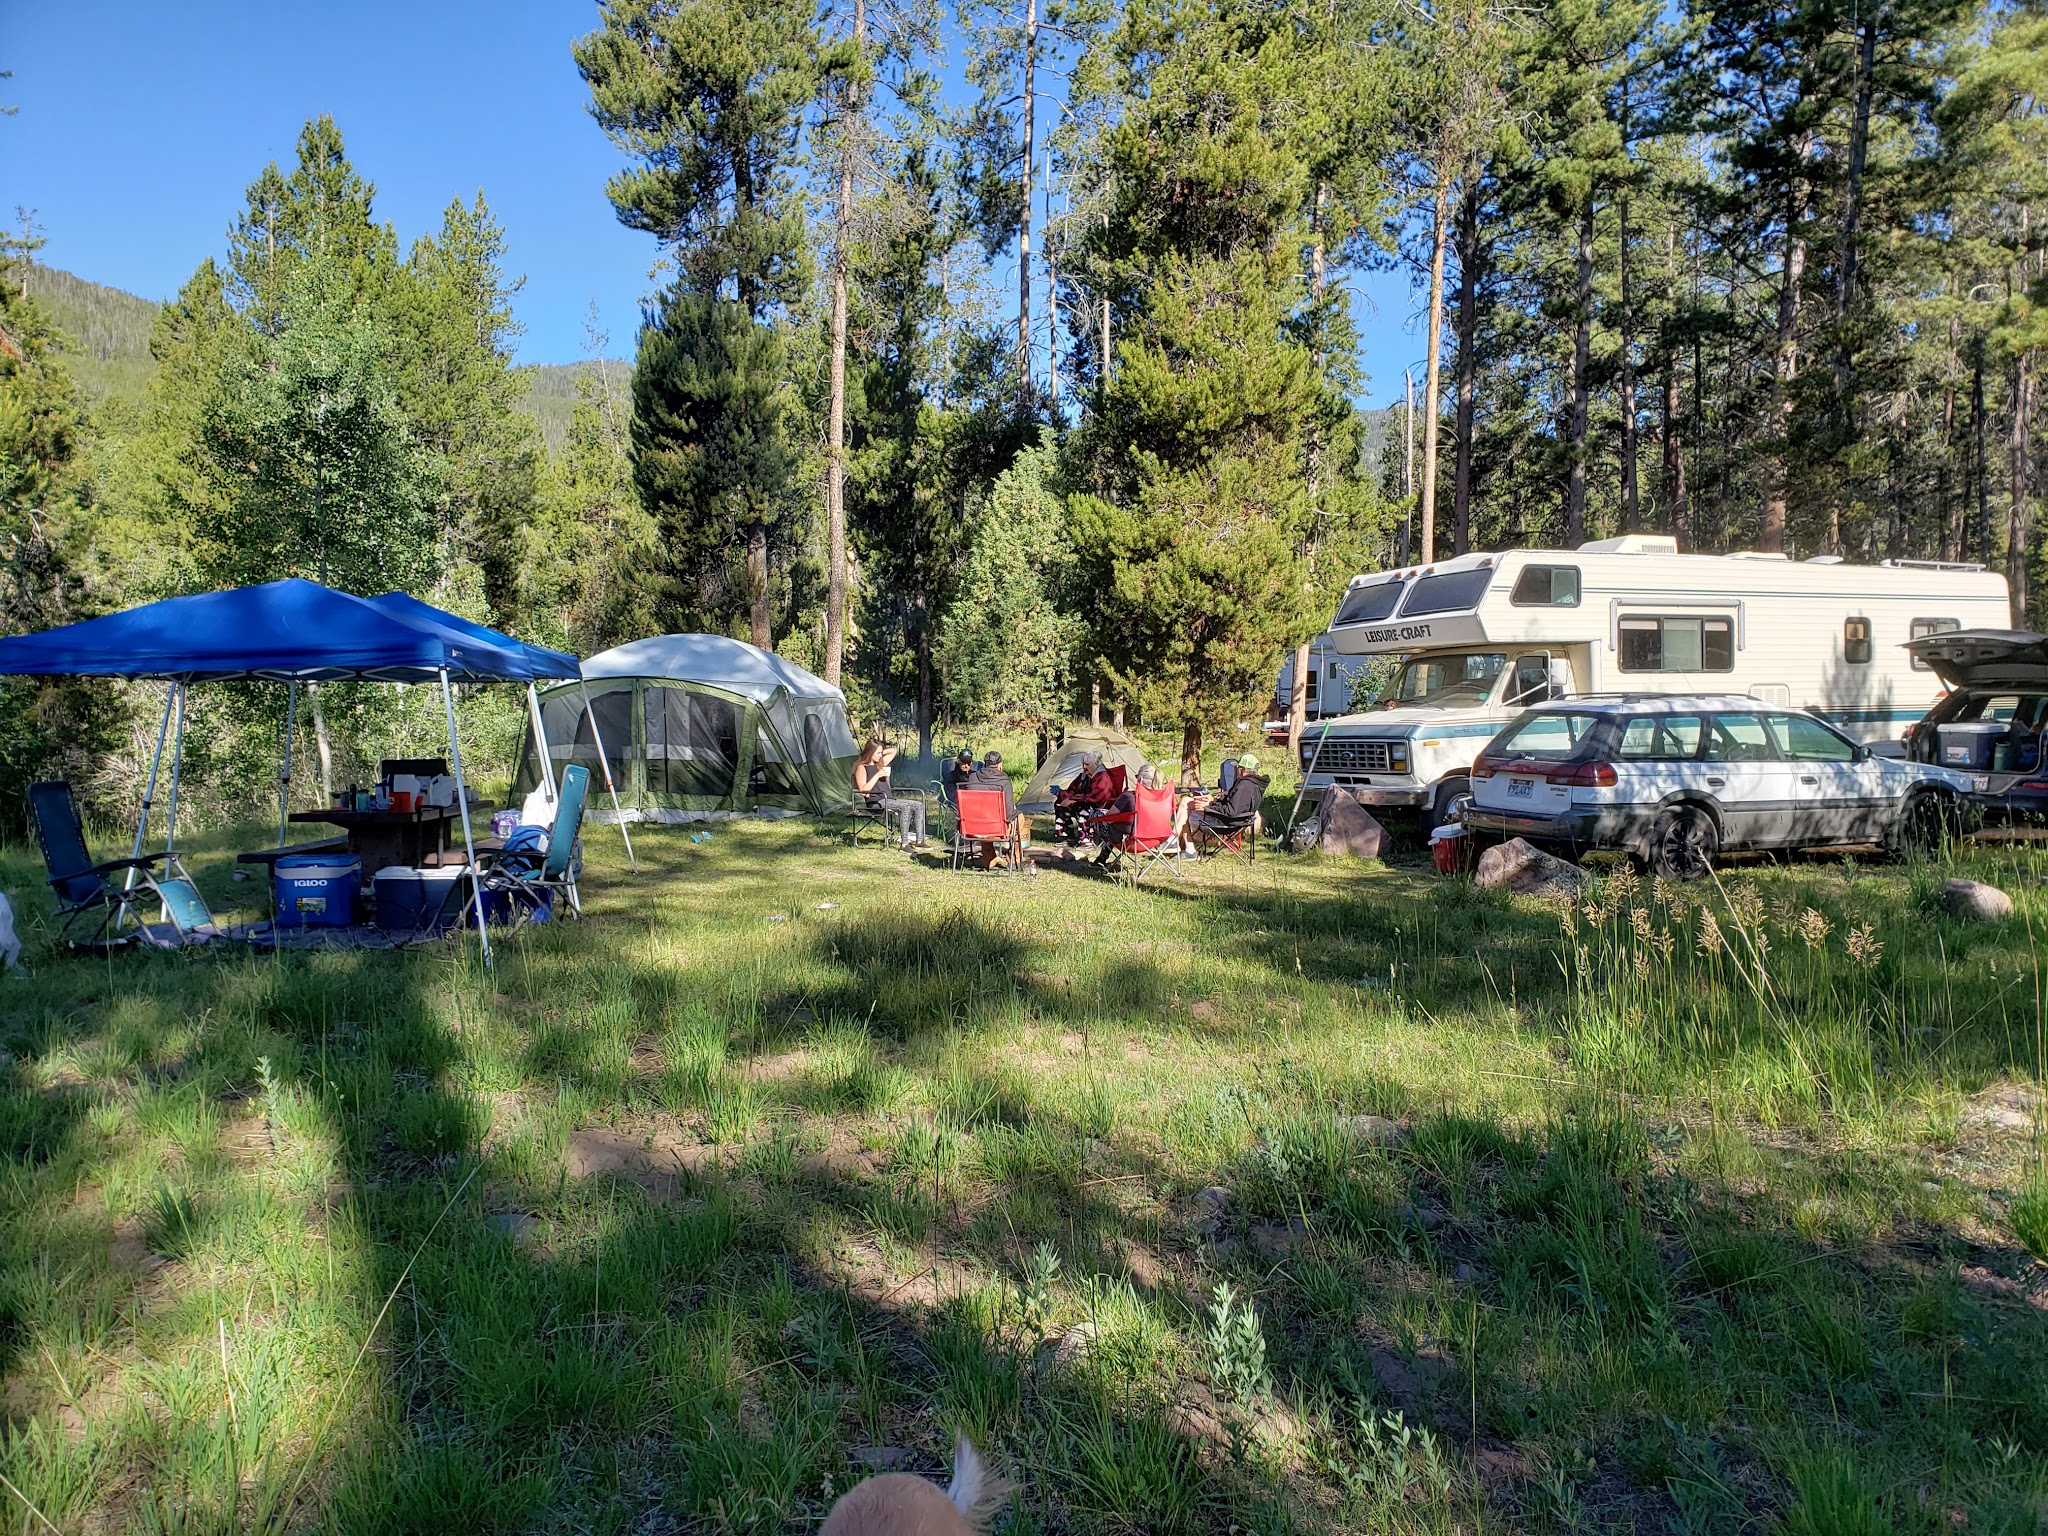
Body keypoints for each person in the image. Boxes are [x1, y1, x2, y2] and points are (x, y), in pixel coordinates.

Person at [963, 749, 1034, 873]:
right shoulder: (1003, 780)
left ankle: (989, 860)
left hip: (972, 828)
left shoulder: (972, 777)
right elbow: (1009, 811)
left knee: (983, 819)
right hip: (996, 828)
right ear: (1000, 765)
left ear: (984, 764)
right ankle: (1015, 859)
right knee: (1019, 818)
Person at [853, 739, 928, 851]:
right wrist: (877, 775)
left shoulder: (879, 764)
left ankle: (920, 841)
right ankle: (904, 844)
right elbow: (863, 791)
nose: (880, 756)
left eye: (880, 753)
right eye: (877, 753)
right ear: (870, 752)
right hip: (875, 802)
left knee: (918, 805)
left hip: (888, 799)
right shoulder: (861, 767)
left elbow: (894, 750)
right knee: (905, 807)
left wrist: (880, 751)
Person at [1177, 752, 1266, 845]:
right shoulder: (1255, 784)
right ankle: (1181, 845)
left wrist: (1208, 808)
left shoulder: (1243, 786)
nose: (1236, 770)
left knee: (1185, 811)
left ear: (1243, 770)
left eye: (1237, 768)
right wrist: (1213, 801)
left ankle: (1184, 846)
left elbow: (1231, 812)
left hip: (1225, 823)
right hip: (1239, 821)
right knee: (1186, 803)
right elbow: (1233, 806)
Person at [1089, 762, 1166, 865]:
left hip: (1132, 840)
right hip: (1155, 839)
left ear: (1140, 779)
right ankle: (1101, 859)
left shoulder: (1129, 797)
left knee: (1098, 815)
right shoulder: (1162, 799)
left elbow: (1109, 818)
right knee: (1117, 824)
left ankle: (1101, 858)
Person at [1052, 752, 1115, 849]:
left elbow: (1096, 797)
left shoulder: (1102, 777)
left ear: (1095, 765)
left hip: (1102, 809)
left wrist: (1073, 800)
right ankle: (1066, 836)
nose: (1084, 767)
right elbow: (1071, 791)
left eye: (1087, 764)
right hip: (1085, 803)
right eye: (1083, 764)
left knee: (1084, 808)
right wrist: (1060, 793)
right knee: (1060, 804)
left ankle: (1086, 840)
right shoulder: (1083, 776)